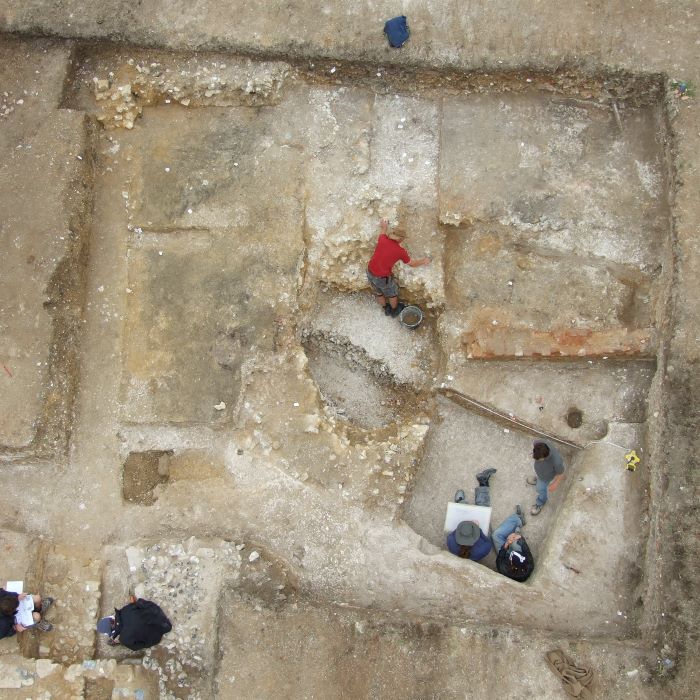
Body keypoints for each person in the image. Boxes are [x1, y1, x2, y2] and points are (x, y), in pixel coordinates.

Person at [366, 219, 430, 317]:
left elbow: (383, 231)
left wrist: (384, 226)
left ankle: (385, 308)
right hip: (382, 278)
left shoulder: (382, 239)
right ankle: (394, 310)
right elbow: (412, 263)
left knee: (378, 292)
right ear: (401, 239)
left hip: (370, 271)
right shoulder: (400, 251)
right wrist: (423, 261)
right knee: (392, 293)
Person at [447, 468, 497, 561]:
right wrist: (479, 529)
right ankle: (483, 483)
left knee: (463, 512)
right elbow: (487, 541)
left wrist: (468, 527)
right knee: (483, 509)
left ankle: (460, 502)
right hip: (480, 533)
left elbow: (452, 533)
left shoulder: (451, 542)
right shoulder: (484, 548)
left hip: (469, 532)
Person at [97, 596, 172, 650]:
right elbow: (140, 605)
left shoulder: (125, 640)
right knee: (139, 604)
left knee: (134, 641)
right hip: (158, 616)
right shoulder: (125, 610)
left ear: (112, 632)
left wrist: (123, 641)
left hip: (159, 634)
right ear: (111, 618)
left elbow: (143, 645)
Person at [492, 506, 534, 582]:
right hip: (514, 554)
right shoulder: (529, 565)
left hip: (504, 556)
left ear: (511, 562)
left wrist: (506, 545)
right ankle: (519, 523)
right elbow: (526, 550)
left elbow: (500, 559)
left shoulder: (504, 569)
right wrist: (519, 537)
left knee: (495, 535)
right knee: (515, 541)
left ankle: (516, 528)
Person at [527, 440, 566, 515]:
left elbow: (561, 473)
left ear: (546, 456)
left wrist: (555, 483)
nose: (535, 460)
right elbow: (534, 444)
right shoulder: (539, 443)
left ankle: (540, 502)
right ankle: (538, 479)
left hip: (546, 477)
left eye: (538, 459)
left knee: (540, 489)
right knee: (539, 477)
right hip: (540, 472)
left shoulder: (557, 462)